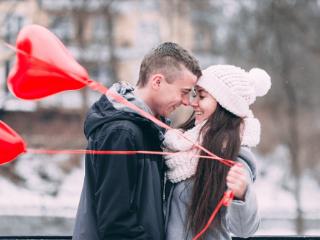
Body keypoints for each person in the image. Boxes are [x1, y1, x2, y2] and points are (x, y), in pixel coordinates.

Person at [72, 42, 201, 240]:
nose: (187, 102)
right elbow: (115, 223)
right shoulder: (121, 132)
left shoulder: (149, 128)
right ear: (157, 82)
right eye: (184, 92)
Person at [163, 65, 271, 239]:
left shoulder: (233, 156)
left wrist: (241, 195)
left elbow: (244, 230)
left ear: (225, 103)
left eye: (202, 96)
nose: (193, 102)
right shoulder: (181, 144)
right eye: (194, 94)